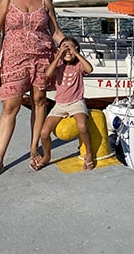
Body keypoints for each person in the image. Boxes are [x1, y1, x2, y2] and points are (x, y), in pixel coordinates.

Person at [0, 0, 65, 179]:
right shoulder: (8, 0)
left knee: (39, 101)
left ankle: (34, 148)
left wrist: (68, 47)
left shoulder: (45, 2)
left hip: (42, 58)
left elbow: (54, 31)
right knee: (11, 106)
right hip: (14, 59)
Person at [33, 36, 94, 171]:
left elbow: (89, 69)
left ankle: (89, 153)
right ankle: (47, 156)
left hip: (76, 102)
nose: (68, 52)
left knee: (82, 126)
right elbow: (48, 73)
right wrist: (59, 54)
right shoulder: (59, 65)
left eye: (70, 49)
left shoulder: (78, 65)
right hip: (60, 104)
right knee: (44, 132)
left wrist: (76, 53)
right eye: (64, 49)